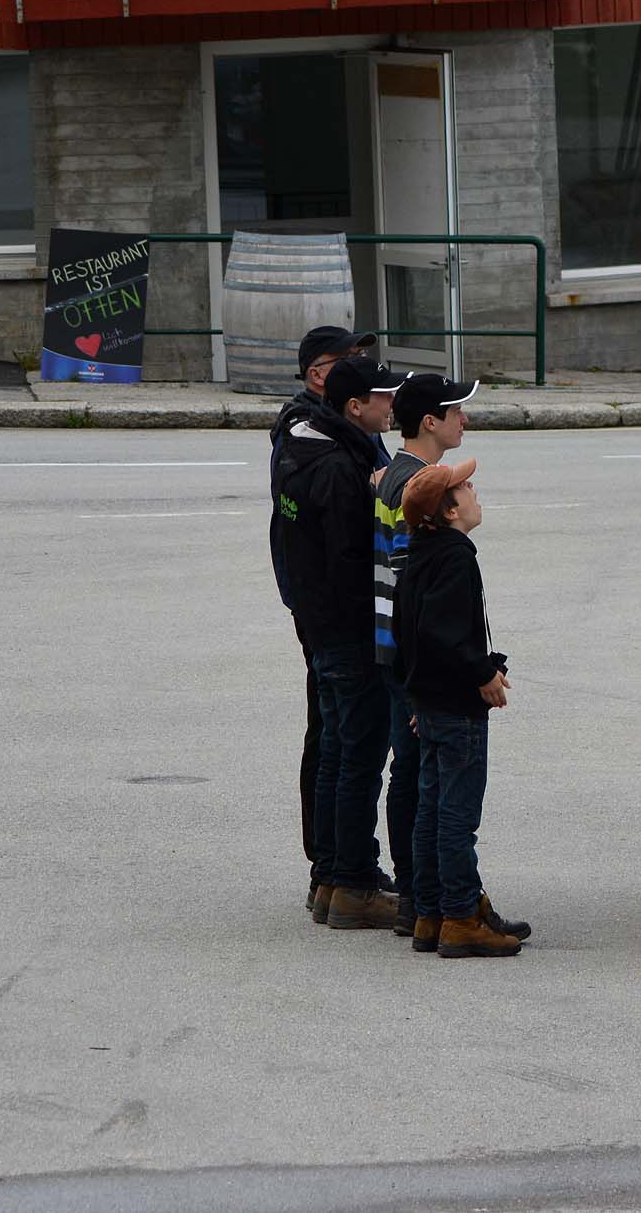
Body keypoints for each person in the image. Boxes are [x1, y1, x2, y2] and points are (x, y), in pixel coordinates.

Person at [275, 354, 399, 930]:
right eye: (384, 397)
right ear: (355, 407)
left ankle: (329, 875)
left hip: (319, 626)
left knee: (334, 752)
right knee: (359, 757)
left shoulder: (306, 445)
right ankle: (352, 881)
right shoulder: (338, 466)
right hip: (347, 633)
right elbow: (352, 560)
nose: (392, 405)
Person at [394, 460, 530, 957]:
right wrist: (483, 674)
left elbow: (407, 633)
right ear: (449, 510)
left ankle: (431, 912)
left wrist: (415, 693)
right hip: (455, 707)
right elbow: (441, 634)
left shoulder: (419, 554)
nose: (474, 491)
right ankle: (460, 915)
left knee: (431, 810)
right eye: (465, 487)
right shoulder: (454, 559)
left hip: (430, 702)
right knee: (456, 815)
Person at [369, 372, 479, 936]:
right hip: (409, 654)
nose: (465, 419)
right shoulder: (420, 487)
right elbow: (420, 585)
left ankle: (425, 893)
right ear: (431, 422)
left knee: (413, 773)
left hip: (395, 647)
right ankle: (425, 895)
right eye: (456, 411)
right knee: (421, 776)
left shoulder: (393, 477)